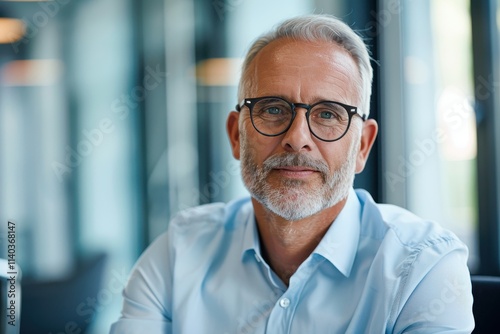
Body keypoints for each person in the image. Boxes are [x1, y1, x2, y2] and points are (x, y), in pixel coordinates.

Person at [110, 14, 474, 333]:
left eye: (328, 114)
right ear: (237, 135)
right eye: (272, 109)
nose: (297, 139)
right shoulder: (178, 254)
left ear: (362, 146)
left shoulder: (423, 268)